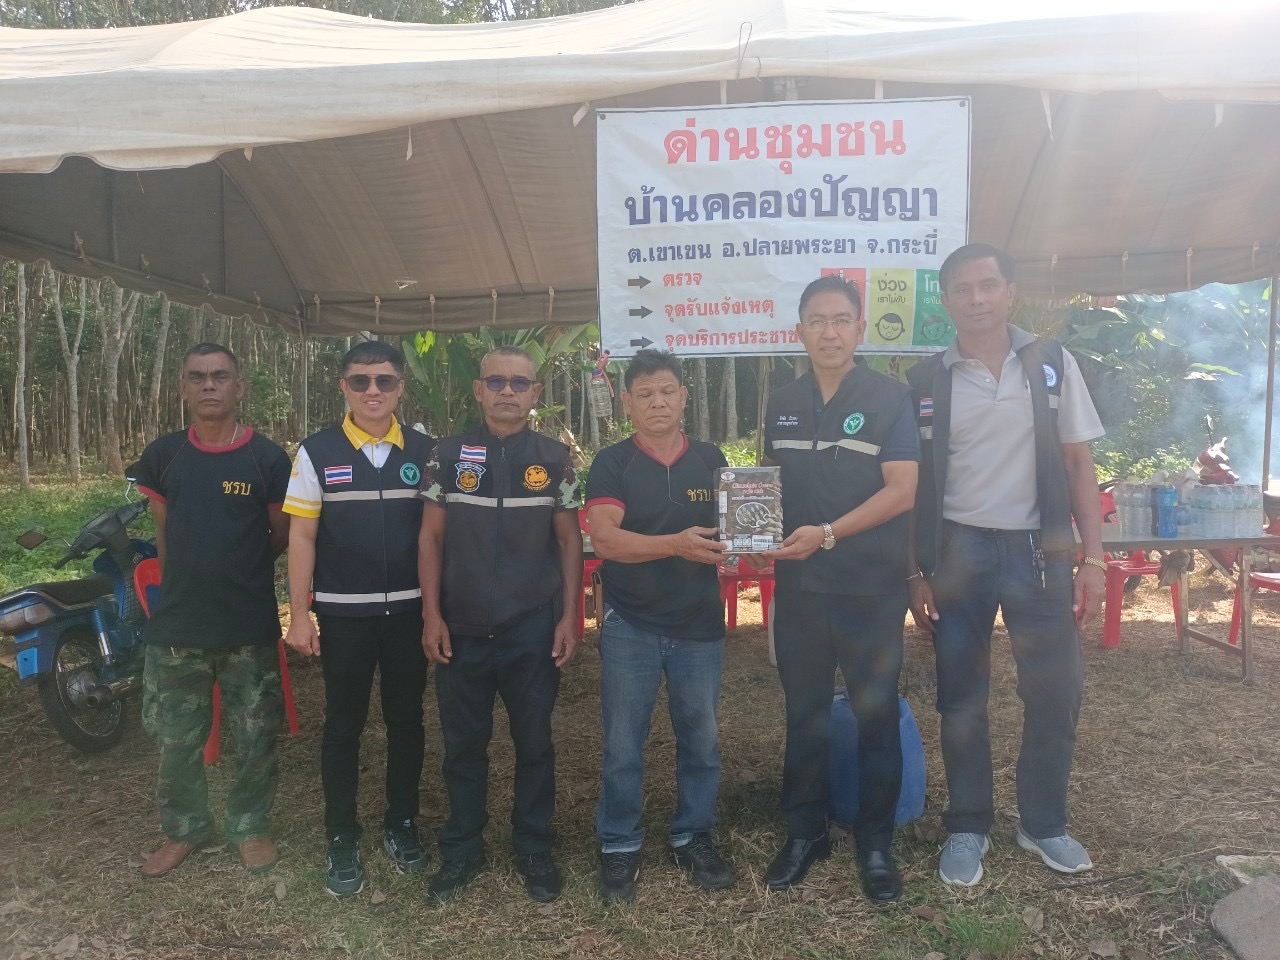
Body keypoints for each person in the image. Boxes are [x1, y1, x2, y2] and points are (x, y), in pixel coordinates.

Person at [906, 242, 1106, 887]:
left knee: (1055, 691)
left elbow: (1078, 463)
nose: (977, 299)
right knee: (961, 696)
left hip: (1039, 553)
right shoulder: (926, 380)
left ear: (1010, 292)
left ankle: (1043, 823)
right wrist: (916, 572)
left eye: (988, 285)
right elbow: (911, 485)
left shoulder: (1051, 364)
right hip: (958, 553)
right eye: (963, 290)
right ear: (946, 301)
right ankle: (967, 825)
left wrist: (1094, 558)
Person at [758, 275, 919, 903]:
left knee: (875, 714)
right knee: (804, 713)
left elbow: (901, 491)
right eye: (817, 321)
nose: (829, 332)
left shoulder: (889, 398)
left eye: (841, 320)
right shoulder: (782, 400)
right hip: (800, 588)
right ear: (799, 331)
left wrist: (826, 533)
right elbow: (768, 486)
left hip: (869, 588)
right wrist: (750, 529)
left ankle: (875, 843)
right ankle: (805, 832)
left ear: (859, 329)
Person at [416, 346, 582, 905]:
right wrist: (432, 615)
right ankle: (462, 848)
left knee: (534, 744)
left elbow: (569, 541)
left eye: (519, 383)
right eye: (496, 382)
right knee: (463, 746)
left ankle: (533, 847)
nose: (507, 391)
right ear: (479, 390)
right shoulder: (446, 455)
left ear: (535, 393)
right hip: (460, 628)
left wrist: (569, 616)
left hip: (530, 628)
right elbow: (430, 538)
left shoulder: (555, 459)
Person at [283, 340, 436, 898]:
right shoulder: (316, 452)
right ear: (343, 387)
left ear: (400, 388)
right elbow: (301, 536)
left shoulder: (426, 451)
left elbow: (439, 535)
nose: (373, 391)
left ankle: (402, 822)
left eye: (385, 380)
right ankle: (341, 836)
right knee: (343, 726)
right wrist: (300, 614)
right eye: (360, 380)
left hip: (410, 615)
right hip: (344, 615)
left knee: (407, 722)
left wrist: (437, 611)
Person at [135, 343, 291, 878]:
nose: (208, 385)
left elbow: (279, 534)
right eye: (197, 376)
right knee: (175, 738)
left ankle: (250, 826)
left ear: (238, 387)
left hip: (247, 623)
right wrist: (187, 584)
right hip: (178, 627)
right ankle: (185, 829)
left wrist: (238, 571)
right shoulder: (165, 455)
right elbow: (165, 534)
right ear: (182, 387)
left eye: (220, 376)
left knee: (256, 736)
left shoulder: (266, 459)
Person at [585, 349, 736, 903]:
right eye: (645, 394)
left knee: (702, 740)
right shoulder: (612, 463)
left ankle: (693, 834)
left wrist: (753, 547)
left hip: (700, 624)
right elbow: (606, 539)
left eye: (667, 391)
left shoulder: (712, 460)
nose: (657, 402)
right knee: (623, 743)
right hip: (632, 622)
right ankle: (619, 842)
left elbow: (737, 530)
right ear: (627, 403)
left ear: (684, 397)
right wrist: (675, 544)